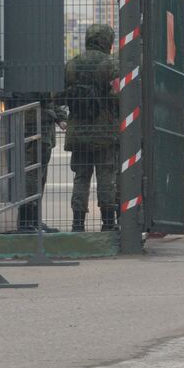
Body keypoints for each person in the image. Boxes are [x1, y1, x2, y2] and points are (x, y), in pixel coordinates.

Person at [62, 24, 119, 232]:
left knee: (81, 178)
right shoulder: (112, 65)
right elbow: (120, 95)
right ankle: (108, 222)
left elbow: (59, 95)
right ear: (108, 42)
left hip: (78, 133)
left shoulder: (72, 65)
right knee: (106, 177)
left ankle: (77, 223)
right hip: (105, 132)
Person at [16, 95, 65, 233]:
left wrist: (60, 117)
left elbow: (51, 100)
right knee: (32, 173)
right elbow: (45, 96)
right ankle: (26, 221)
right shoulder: (38, 77)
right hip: (36, 126)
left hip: (43, 126)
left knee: (40, 175)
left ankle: (34, 220)